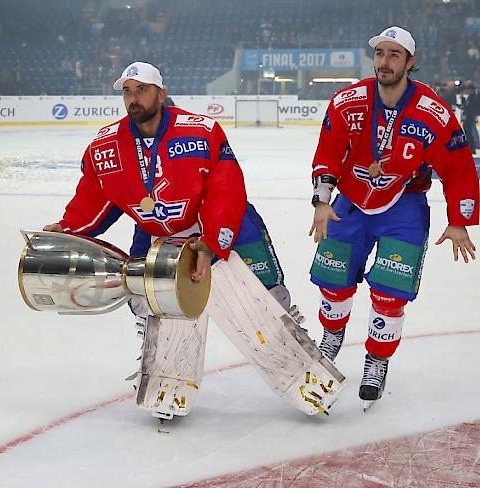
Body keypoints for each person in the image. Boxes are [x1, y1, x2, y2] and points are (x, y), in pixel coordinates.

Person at [44, 61, 300, 327]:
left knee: (268, 294)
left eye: (142, 89)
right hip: (155, 228)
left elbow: (226, 189)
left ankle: (291, 340)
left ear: (161, 95)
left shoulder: (202, 132)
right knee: (143, 298)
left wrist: (212, 241)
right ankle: (158, 355)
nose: (133, 98)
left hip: (220, 218)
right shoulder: (105, 145)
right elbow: (96, 196)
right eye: (128, 91)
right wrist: (69, 227)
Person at [308, 26, 479, 407]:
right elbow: (329, 150)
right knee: (334, 280)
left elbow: (459, 166)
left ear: (410, 62)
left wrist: (458, 219)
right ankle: (332, 337)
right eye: (380, 54)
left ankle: (376, 361)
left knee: (390, 290)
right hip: (351, 200)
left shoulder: (433, 111)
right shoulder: (347, 101)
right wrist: (322, 199)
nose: (385, 62)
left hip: (404, 204)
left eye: (395, 55)